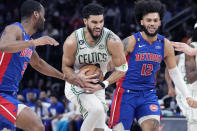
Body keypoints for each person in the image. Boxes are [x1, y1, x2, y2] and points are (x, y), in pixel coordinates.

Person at [108, 0, 197, 131]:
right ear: (142, 22)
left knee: (153, 128)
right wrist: (97, 77)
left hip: (148, 94)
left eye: (155, 20)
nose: (152, 23)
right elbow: (110, 64)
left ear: (160, 22)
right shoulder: (131, 41)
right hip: (125, 93)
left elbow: (174, 73)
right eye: (149, 20)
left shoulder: (165, 44)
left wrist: (187, 95)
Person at [0, 0, 65, 130]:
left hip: (10, 93)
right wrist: (34, 42)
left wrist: (65, 77)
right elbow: (4, 46)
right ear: (36, 14)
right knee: (37, 126)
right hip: (1, 93)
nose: (45, 19)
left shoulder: (28, 42)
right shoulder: (14, 29)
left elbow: (38, 63)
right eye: (43, 15)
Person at [62, 3, 127, 131]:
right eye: (94, 22)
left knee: (99, 127)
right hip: (77, 85)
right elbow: (65, 67)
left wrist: (103, 85)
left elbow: (123, 69)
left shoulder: (113, 41)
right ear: (85, 21)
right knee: (96, 110)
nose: (98, 26)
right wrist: (76, 77)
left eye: (101, 21)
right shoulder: (72, 41)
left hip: (99, 85)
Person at [165, 24, 197, 131]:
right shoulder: (180, 57)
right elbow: (168, 70)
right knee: (193, 120)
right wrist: (170, 86)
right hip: (187, 92)